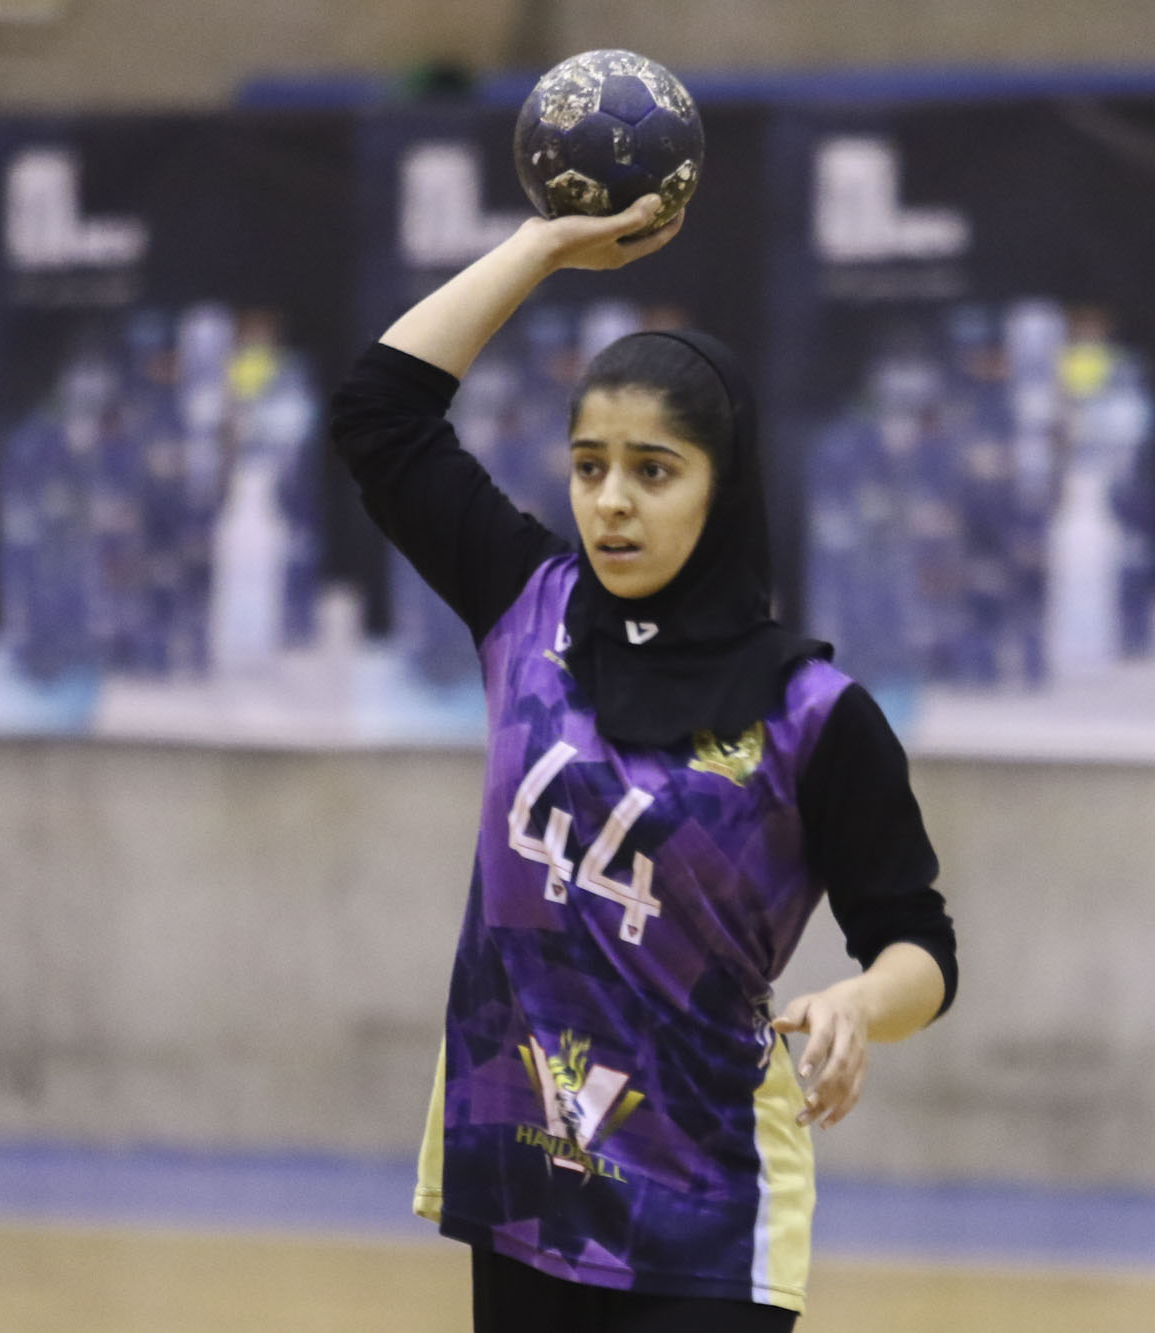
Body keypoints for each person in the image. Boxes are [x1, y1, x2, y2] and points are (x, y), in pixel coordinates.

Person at [330, 194, 958, 1333]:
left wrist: (861, 1003)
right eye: (588, 467)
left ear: (723, 487)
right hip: (525, 1177)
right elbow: (378, 411)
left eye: (653, 471)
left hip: (708, 1216)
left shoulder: (814, 714)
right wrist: (540, 249)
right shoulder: (526, 604)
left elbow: (920, 944)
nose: (611, 502)